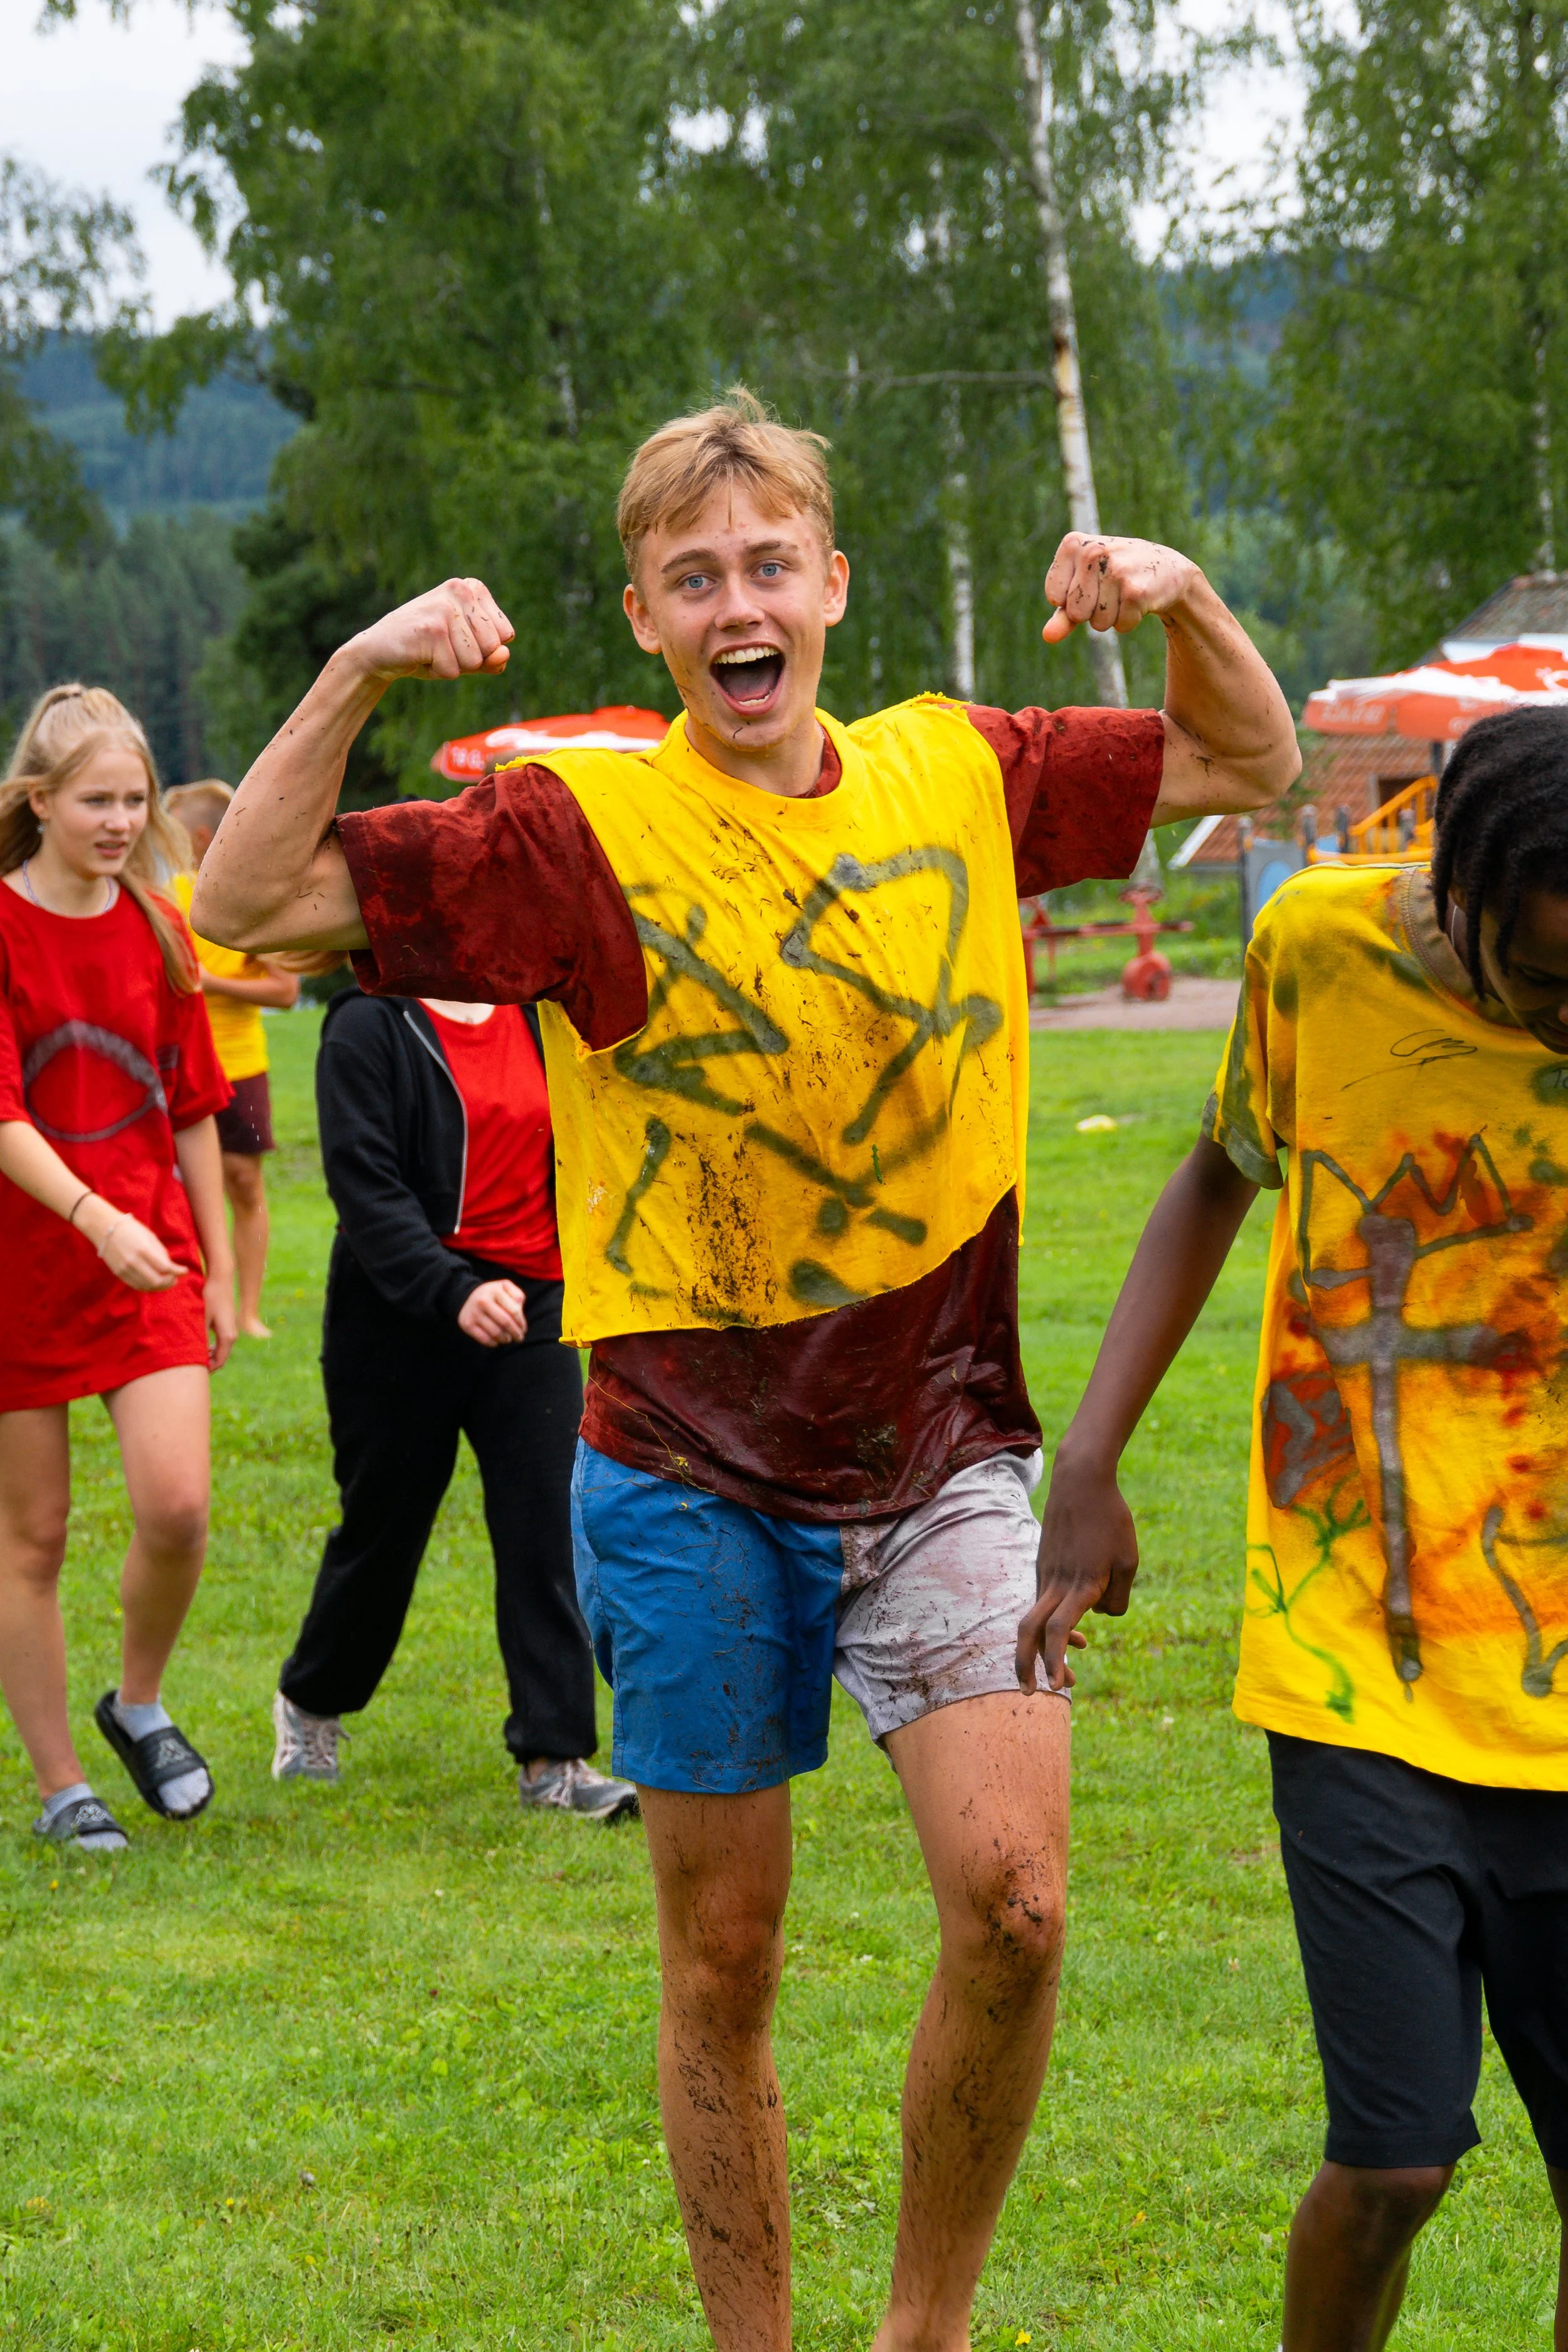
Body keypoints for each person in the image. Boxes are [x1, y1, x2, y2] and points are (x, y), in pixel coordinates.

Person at [190, 389, 1296, 2350]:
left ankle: (921, 2328)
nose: (736, 603)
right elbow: (246, 902)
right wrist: (359, 664)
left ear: (830, 584)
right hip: (685, 1461)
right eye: (694, 577)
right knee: (721, 1955)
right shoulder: (574, 831)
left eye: (766, 563)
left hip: (940, 1437)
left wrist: (1185, 588)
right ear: (644, 616)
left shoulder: (956, 767)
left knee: (1017, 1905)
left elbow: (1249, 754)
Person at [1020, 704, 1568, 2352]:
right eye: (1542, 978)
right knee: (1395, 2155)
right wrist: (1091, 1458)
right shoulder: (1318, 947)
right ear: (1457, 891)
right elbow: (1215, 1171)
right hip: (1355, 1663)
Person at [268, 974, 638, 1822]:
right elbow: (366, 1191)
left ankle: (557, 1757)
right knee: (385, 1532)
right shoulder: (365, 1026)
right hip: (401, 1314)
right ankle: (312, 1699)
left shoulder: (542, 1015)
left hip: (532, 1305)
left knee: (547, 1524)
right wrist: (451, 1290)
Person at [0, 687, 235, 1855]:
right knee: (33, 1535)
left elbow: (196, 1110)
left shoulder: (159, 924)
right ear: (36, 801)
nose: (118, 819)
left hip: (150, 1261)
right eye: (95, 799)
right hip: (26, 1272)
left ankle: (137, 1703)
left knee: (178, 1506)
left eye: (133, 798)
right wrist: (94, 1217)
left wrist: (225, 1271)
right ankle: (61, 1787)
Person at [164, 781, 300, 1340]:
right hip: (176, 1063)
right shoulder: (166, 897)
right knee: (181, 1188)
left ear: (198, 837)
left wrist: (208, 982)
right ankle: (191, 1303)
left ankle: (248, 1312)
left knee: (244, 1184)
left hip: (241, 1062)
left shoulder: (252, 899)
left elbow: (286, 992)